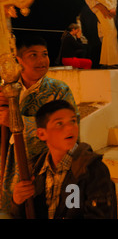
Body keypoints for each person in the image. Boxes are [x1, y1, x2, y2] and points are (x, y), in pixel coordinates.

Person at [0, 35, 79, 211]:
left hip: (44, 172)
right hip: (7, 169)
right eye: (33, 55)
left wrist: (16, 122)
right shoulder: (6, 91)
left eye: (45, 54)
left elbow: (71, 132)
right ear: (17, 60)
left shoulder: (59, 90)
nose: (42, 60)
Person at [10, 100, 117, 219]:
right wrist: (17, 202)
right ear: (41, 134)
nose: (69, 128)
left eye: (73, 121)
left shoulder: (91, 170)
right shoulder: (36, 170)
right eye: (59, 123)